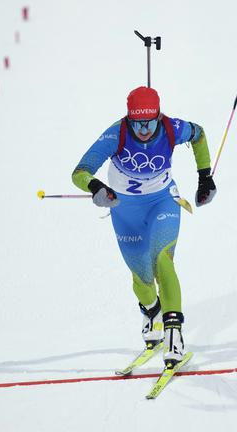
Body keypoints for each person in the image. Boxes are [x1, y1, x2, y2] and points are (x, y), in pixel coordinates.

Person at [71, 86, 216, 368]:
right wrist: (96, 187)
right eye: (138, 123)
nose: (145, 130)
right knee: (142, 278)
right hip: (125, 211)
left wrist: (205, 176)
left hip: (163, 201)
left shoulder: (172, 128)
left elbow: (199, 134)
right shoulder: (117, 134)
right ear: (128, 119)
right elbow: (79, 172)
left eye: (149, 122)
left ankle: (174, 332)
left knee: (162, 260)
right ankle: (152, 311)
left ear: (158, 116)